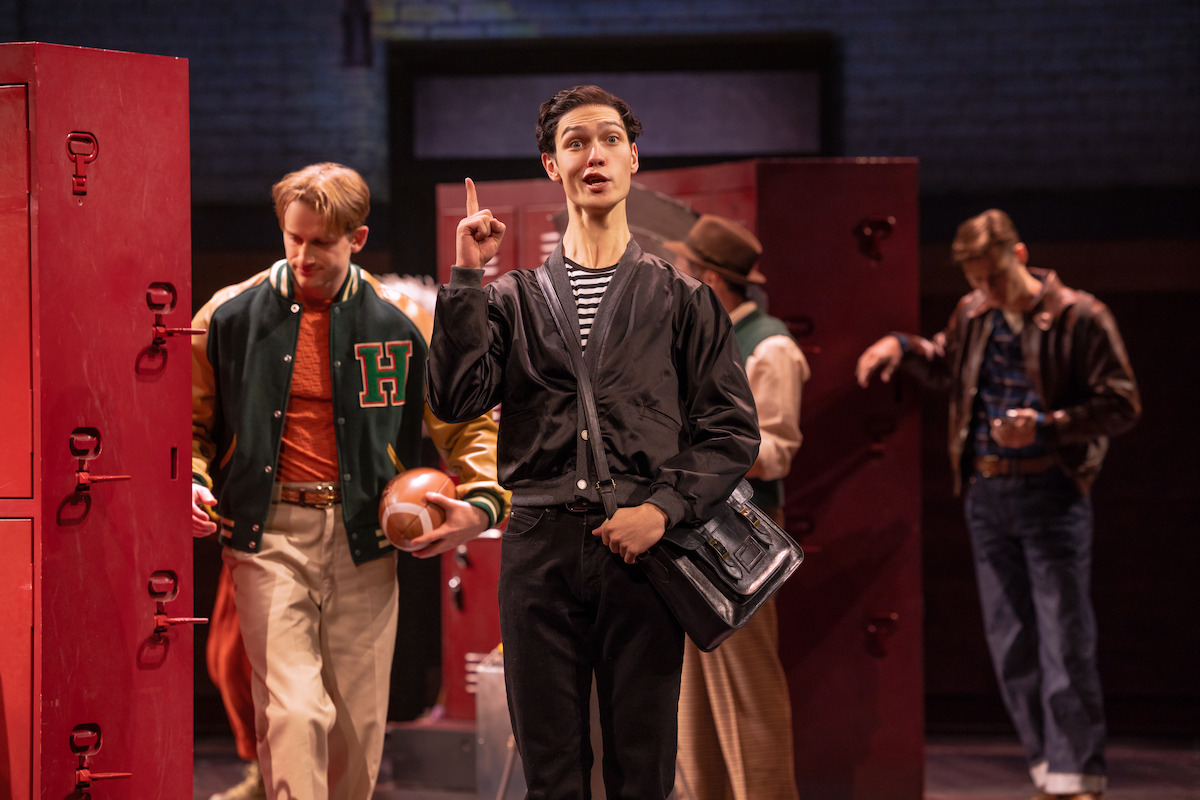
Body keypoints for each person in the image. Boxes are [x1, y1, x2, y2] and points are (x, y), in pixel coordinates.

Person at [426, 86, 760, 800]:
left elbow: (731, 430)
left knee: (642, 771)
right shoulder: (510, 298)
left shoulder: (682, 298)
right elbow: (454, 398)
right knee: (552, 774)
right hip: (538, 549)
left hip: (640, 552)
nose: (595, 154)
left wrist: (665, 509)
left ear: (634, 158)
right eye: (576, 143)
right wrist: (465, 279)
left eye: (609, 139)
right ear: (552, 164)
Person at [190, 162, 508, 800]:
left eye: (321, 242)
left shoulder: (404, 321)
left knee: (356, 735)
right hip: (265, 536)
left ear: (357, 238)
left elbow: (466, 422)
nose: (303, 255)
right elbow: (186, 425)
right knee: (295, 712)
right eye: (293, 238)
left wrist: (479, 502)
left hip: (366, 539)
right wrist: (190, 479)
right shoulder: (227, 315)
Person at [855, 209, 1140, 800]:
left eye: (996, 277)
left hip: (1050, 492)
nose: (988, 290)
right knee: (1010, 640)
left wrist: (1048, 426)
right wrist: (902, 346)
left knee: (1064, 635)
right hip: (986, 493)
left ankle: (1076, 774)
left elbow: (1121, 404)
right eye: (977, 280)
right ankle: (1048, 767)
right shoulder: (974, 312)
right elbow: (947, 368)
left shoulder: (1078, 316)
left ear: (1021, 254)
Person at [665, 214, 807, 800]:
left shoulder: (768, 345)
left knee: (747, 693)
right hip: (689, 529)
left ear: (711, 280)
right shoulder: (707, 336)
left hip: (741, 538)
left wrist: (701, 443)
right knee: (692, 699)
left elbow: (777, 450)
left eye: (688, 271)